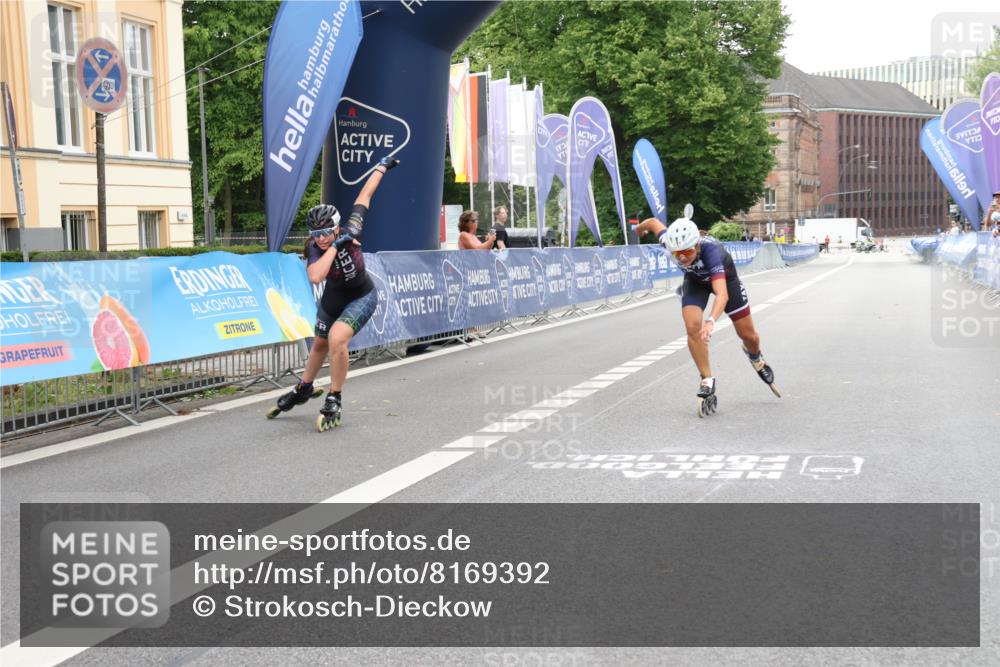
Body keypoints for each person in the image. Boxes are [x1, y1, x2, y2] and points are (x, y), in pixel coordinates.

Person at [268, 156, 399, 430]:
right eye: (316, 233)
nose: (322, 238)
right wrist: (335, 247)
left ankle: (334, 397)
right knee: (319, 344)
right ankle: (304, 387)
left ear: (338, 226)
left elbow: (365, 194)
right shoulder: (317, 247)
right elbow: (316, 276)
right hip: (334, 295)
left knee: (337, 339)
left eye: (328, 232)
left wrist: (382, 167)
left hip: (362, 295)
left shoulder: (352, 227)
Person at [634, 214, 779, 413]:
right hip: (695, 283)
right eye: (677, 254)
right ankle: (706, 379)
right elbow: (652, 222)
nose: (682, 257)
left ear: (697, 245)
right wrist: (638, 229)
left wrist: (711, 321)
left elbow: (722, 294)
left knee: (748, 335)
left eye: (687, 251)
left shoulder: (711, 252)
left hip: (726, 283)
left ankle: (755, 356)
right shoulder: (669, 243)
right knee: (692, 326)